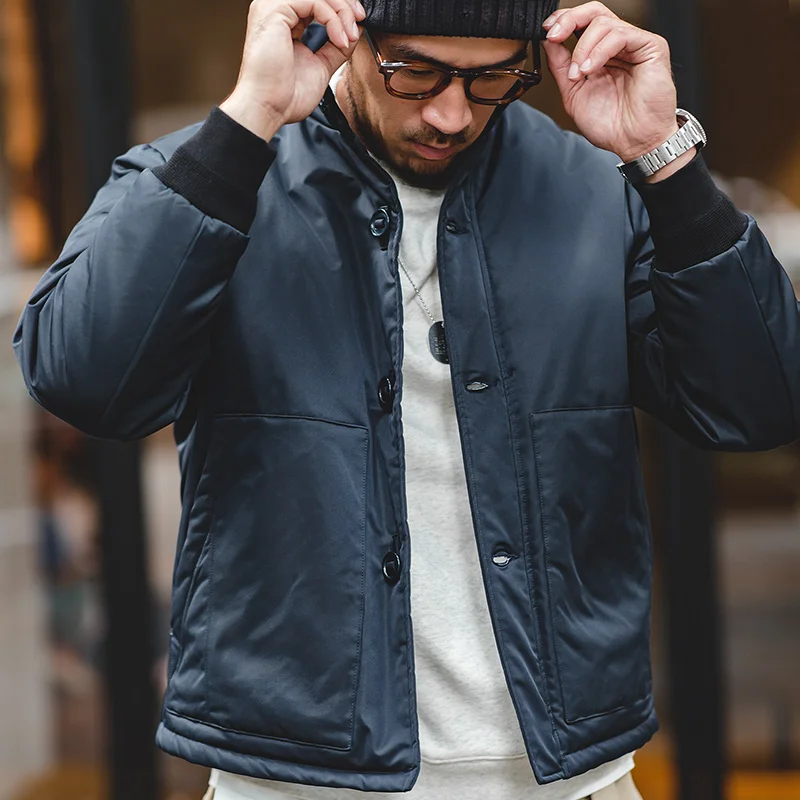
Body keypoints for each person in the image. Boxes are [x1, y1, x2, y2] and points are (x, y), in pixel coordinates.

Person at [13, 0, 800, 797]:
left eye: (492, 79)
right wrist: (249, 114)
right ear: (346, 34)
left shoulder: (598, 192)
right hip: (295, 781)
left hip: (573, 780)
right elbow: (86, 380)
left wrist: (663, 159)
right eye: (415, 71)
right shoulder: (215, 175)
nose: (451, 112)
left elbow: (754, 401)